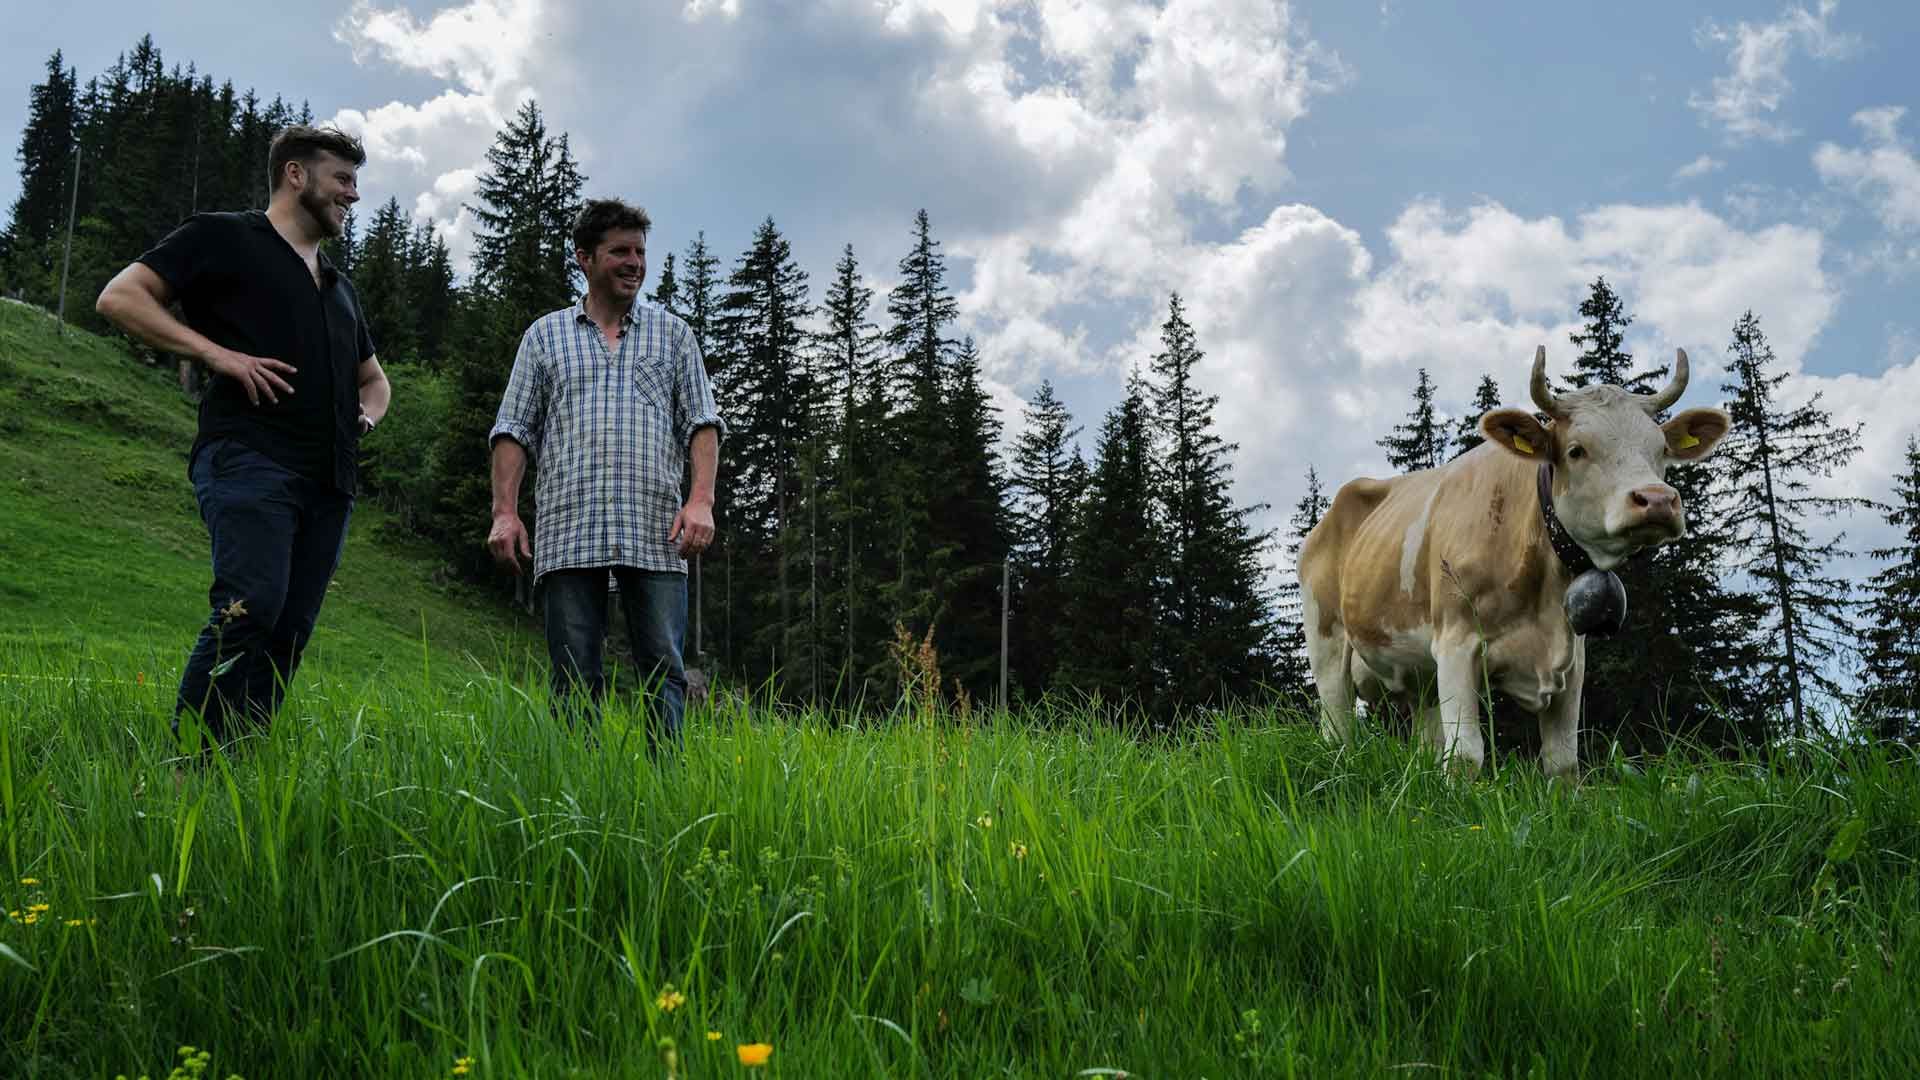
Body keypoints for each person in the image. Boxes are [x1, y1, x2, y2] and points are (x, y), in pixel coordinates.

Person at [95, 124, 390, 747]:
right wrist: (217, 355)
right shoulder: (224, 237)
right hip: (249, 456)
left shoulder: (339, 288)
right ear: (296, 175)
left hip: (330, 480)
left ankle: (233, 765)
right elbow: (121, 297)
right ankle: (184, 768)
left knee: (288, 632)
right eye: (342, 179)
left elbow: (376, 381)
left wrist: (364, 415)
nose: (353, 195)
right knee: (251, 604)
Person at [487, 198, 725, 750]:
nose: (634, 262)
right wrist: (505, 512)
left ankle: (664, 789)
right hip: (570, 529)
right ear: (585, 258)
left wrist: (701, 502)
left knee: (663, 670)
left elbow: (702, 424)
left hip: (656, 531)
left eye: (641, 251)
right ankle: (581, 792)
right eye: (620, 250)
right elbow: (512, 429)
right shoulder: (545, 337)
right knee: (573, 675)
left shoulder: (673, 335)